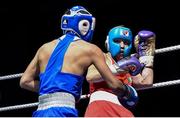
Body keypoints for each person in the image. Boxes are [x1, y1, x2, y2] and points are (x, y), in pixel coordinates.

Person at [19, 6, 135, 117]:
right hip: (64, 110)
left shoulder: (44, 48)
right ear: (84, 25)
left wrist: (52, 89)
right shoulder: (90, 49)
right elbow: (113, 84)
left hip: (41, 110)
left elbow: (25, 81)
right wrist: (127, 91)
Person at [84, 26, 156, 117]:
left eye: (126, 43)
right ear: (108, 42)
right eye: (117, 41)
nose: (122, 46)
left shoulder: (130, 64)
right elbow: (91, 76)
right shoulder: (101, 57)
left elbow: (146, 82)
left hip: (124, 111)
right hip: (101, 108)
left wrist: (147, 59)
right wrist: (118, 68)